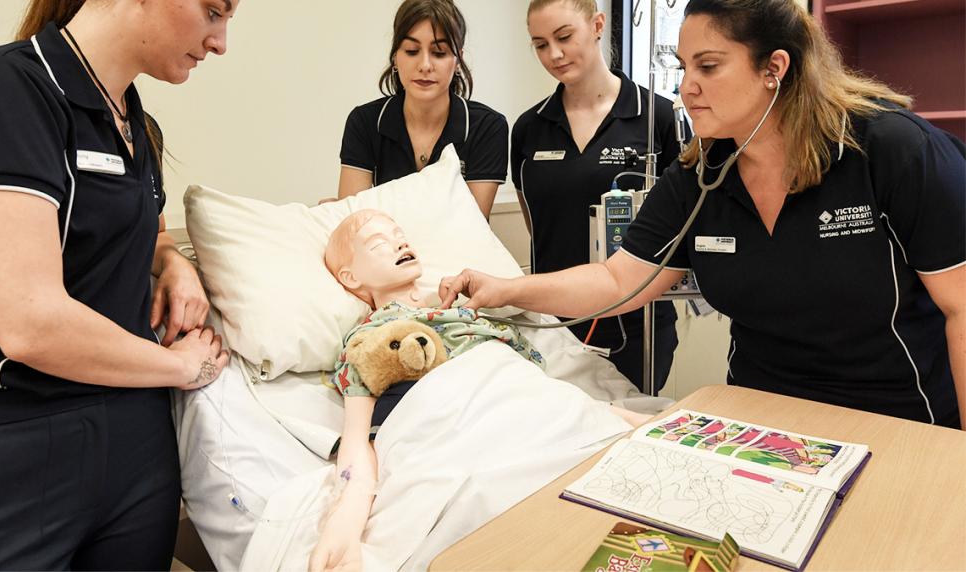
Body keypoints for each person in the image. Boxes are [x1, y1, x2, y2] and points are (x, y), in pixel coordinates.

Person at [440, 0, 965, 429]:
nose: (687, 87)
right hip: (760, 423)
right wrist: (508, 289)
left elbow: (962, 311)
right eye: (684, 68)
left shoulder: (892, 151)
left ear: (773, 69)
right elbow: (617, 278)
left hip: (896, 420)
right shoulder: (700, 177)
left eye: (708, 66)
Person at [0, 0, 237, 569]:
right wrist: (181, 368)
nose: (220, 42)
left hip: (136, 438)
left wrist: (174, 263)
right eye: (212, 12)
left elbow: (141, 235)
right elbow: (27, 322)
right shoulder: (3, 89)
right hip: (17, 433)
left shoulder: (132, 119)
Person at [310, 209, 649, 571]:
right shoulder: (369, 338)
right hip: (456, 432)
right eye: (379, 243)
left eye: (400, 234)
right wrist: (346, 517)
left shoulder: (469, 316)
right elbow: (357, 438)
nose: (400, 242)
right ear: (349, 276)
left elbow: (535, 390)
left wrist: (628, 418)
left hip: (535, 411)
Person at [514, 0, 682, 391]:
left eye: (564, 37)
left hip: (636, 324)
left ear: (598, 25)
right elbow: (536, 220)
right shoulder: (528, 129)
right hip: (553, 326)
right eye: (540, 44)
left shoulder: (656, 118)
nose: (553, 54)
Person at [335, 0, 508, 219]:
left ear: (457, 61)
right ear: (395, 57)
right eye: (412, 50)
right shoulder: (364, 122)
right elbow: (354, 223)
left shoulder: (487, 127)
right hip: (383, 252)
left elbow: (470, 227)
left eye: (439, 52)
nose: (425, 65)